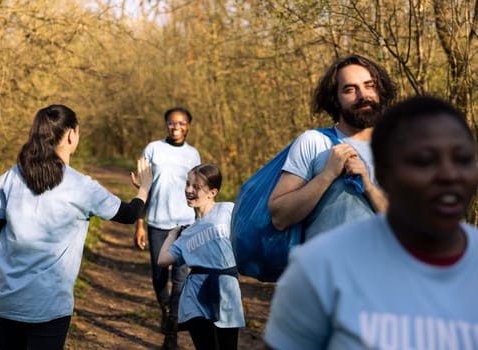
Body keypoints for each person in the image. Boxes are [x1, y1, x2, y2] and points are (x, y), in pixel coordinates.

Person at [264, 95, 478, 349]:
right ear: (387, 175)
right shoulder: (318, 267)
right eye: (424, 160)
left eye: (462, 158)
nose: (449, 175)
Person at [0, 104, 153, 350]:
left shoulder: (12, 176)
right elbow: (128, 214)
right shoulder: (82, 186)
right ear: (72, 134)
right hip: (47, 306)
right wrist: (144, 188)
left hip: (3, 300)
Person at [268, 54, 397, 241]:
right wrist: (327, 174)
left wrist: (368, 186)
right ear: (335, 99)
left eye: (370, 86)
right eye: (350, 89)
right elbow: (279, 218)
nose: (363, 95)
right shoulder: (314, 142)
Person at [132, 106, 201, 350]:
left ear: (188, 126)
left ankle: (171, 332)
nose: (177, 127)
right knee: (159, 276)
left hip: (185, 224)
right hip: (158, 224)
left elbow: (198, 191)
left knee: (180, 279)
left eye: (181, 123)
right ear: (166, 125)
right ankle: (165, 307)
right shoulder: (153, 149)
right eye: (172, 123)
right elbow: (144, 188)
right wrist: (139, 224)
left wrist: (201, 222)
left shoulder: (194, 155)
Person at [157, 163, 245, 350]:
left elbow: (251, 230)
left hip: (226, 291)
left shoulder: (228, 210)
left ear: (212, 192)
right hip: (195, 294)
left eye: (196, 187)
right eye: (188, 184)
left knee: (228, 346)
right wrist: (173, 235)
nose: (189, 190)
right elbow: (162, 260)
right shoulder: (187, 232)